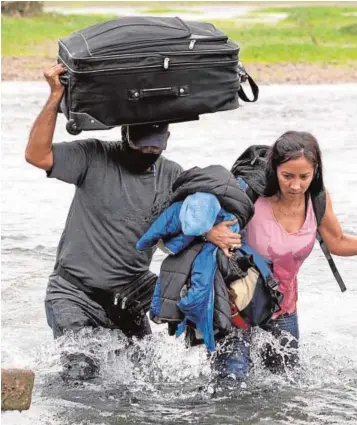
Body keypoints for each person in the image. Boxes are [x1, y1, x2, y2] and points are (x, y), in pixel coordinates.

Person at [25, 62, 187, 343]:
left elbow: (186, 231)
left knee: (143, 376)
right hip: (74, 293)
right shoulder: (92, 156)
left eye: (155, 147)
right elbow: (36, 155)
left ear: (167, 140)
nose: (148, 152)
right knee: (81, 374)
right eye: (141, 145)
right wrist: (55, 97)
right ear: (124, 133)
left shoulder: (172, 175)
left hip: (128, 296)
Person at [204, 131, 357, 382]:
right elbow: (196, 224)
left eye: (304, 176)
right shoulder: (248, 193)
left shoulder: (317, 199)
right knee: (231, 384)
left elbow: (338, 242)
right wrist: (211, 232)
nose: (296, 185)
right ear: (274, 169)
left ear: (315, 172)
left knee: (285, 384)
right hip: (236, 306)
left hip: (283, 307)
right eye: (287, 176)